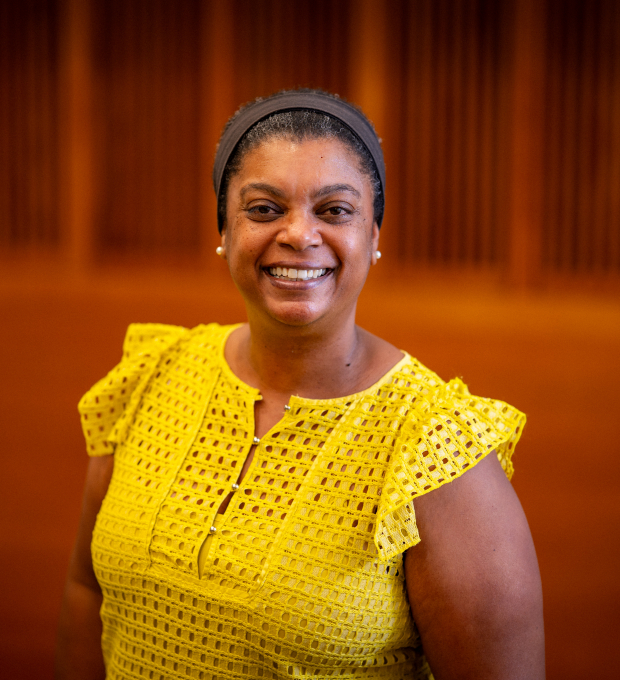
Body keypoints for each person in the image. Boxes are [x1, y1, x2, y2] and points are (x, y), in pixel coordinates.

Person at [55, 90, 544, 680]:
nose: (298, 234)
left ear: (374, 233)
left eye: (334, 210)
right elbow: (87, 591)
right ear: (224, 229)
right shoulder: (153, 373)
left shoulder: (435, 451)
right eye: (264, 209)